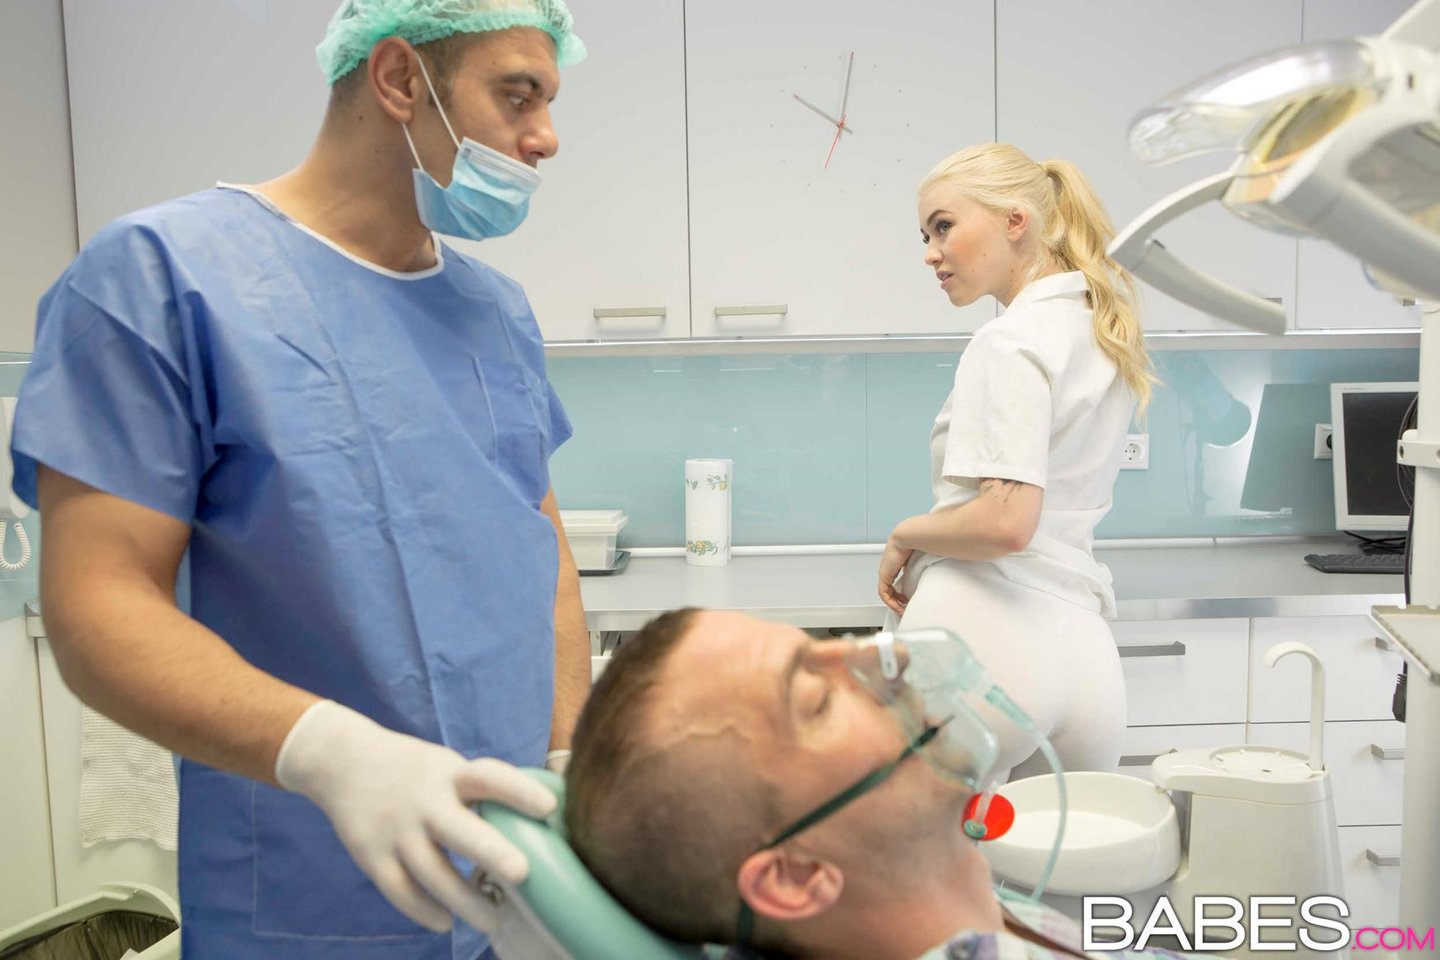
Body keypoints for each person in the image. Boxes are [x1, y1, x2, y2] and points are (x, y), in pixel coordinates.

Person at [11, 2, 591, 957]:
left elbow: (545, 554)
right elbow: (96, 606)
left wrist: (567, 756)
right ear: (400, 80)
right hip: (311, 896)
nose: (547, 137)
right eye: (518, 95)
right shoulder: (162, 276)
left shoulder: (494, 311)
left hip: (511, 878)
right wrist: (332, 754)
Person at [564, 608, 1191, 960]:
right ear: (795, 877)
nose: (890, 658)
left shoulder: (998, 911)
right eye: (816, 700)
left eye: (828, 647)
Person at [878, 143, 1157, 780]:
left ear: (1014, 220)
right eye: (926, 235)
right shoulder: (1103, 334)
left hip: (979, 635)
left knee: (926, 847)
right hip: (1082, 654)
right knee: (1058, 847)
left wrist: (904, 535)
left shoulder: (1006, 342)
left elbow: (1006, 523)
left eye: (943, 226)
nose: (930, 252)